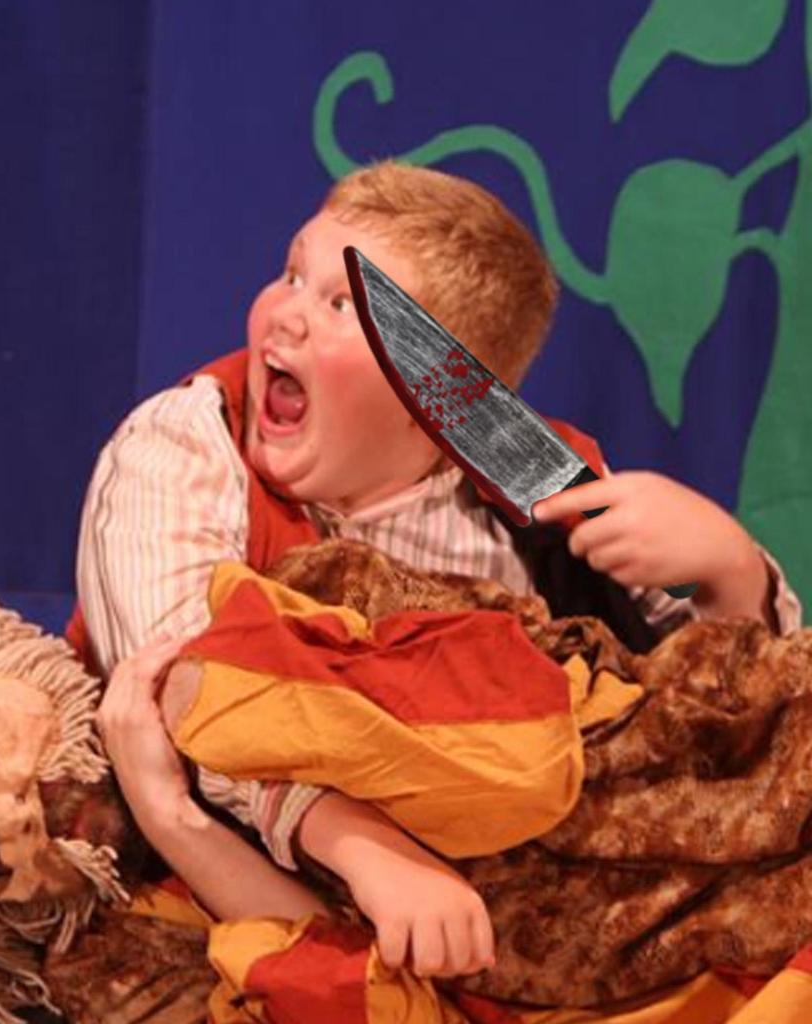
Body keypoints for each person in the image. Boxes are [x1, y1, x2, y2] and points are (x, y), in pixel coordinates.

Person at [77, 161, 803, 982]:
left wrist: (726, 569)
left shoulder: (532, 485)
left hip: (529, 895)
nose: (286, 314)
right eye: (292, 273)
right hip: (246, 887)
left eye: (342, 305)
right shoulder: (186, 445)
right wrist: (368, 848)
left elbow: (704, 730)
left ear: (442, 396)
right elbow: (182, 690)